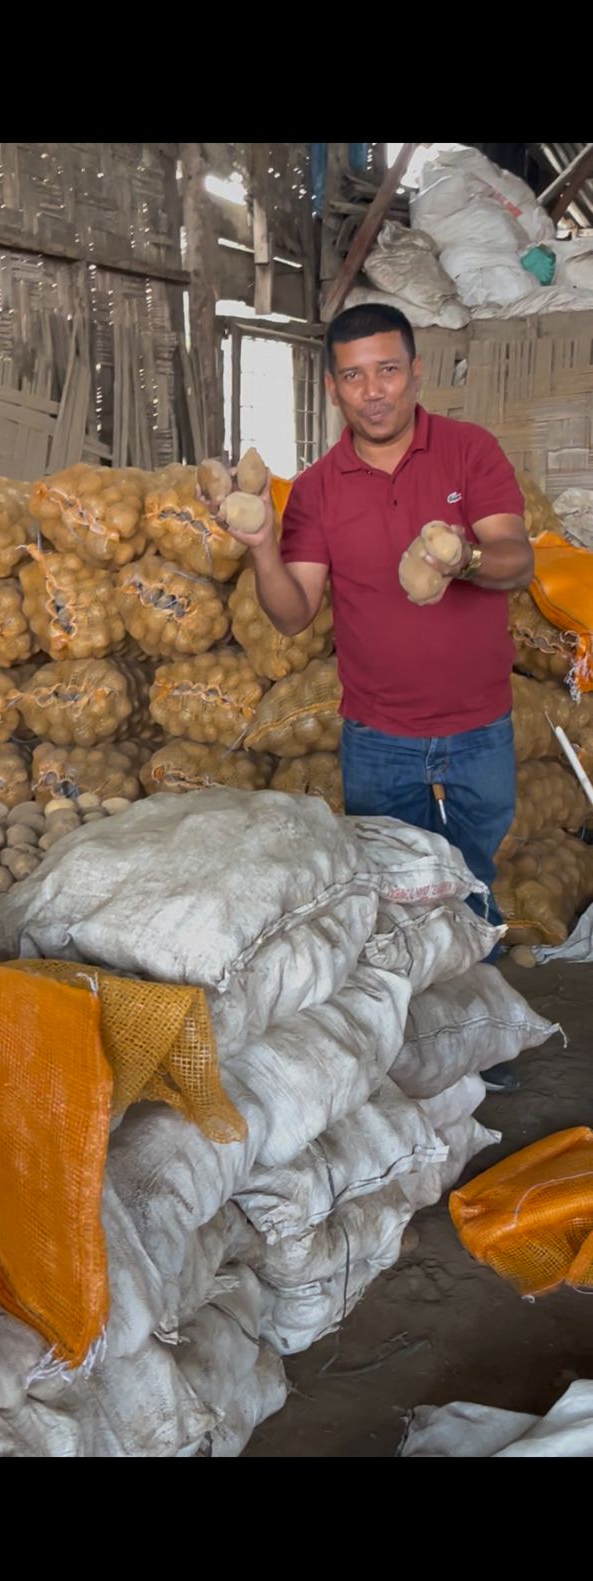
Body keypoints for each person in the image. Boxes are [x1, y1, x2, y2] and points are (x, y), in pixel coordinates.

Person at [227, 303, 533, 1091]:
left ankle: (479, 1043)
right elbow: (291, 612)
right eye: (354, 375)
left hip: (476, 727)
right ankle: (407, 1045)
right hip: (378, 732)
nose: (373, 391)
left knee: (471, 881)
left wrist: (458, 557)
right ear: (332, 387)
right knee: (395, 899)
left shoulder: (469, 452)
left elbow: (515, 560)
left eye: (387, 369)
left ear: (414, 370)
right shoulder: (322, 488)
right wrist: (262, 547)